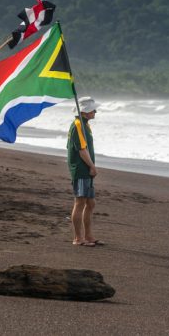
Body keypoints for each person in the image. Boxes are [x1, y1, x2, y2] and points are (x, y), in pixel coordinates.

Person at [67, 96, 103, 247]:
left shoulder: (84, 124)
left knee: (90, 202)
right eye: (93, 109)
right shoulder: (78, 125)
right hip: (81, 169)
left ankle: (88, 236)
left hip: (86, 169)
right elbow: (82, 150)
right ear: (85, 111)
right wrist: (92, 166)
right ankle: (77, 238)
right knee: (80, 202)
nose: (95, 111)